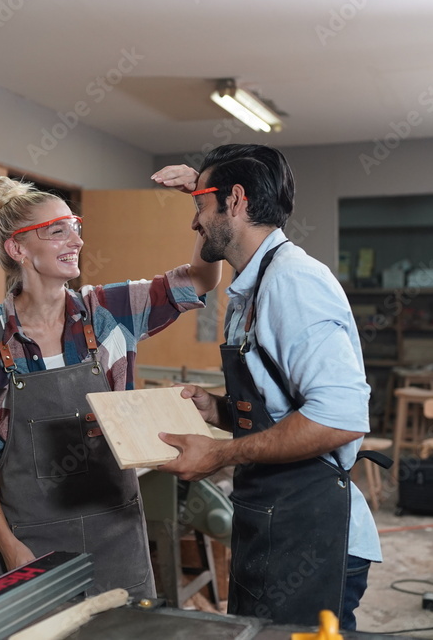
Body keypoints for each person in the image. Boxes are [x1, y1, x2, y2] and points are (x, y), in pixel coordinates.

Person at [0, 176, 220, 598]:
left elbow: (201, 279)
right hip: (30, 542)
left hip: (117, 536)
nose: (75, 239)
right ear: (17, 249)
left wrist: (203, 206)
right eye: (57, 231)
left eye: (75, 226)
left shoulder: (109, 312)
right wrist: (8, 544)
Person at [151, 145, 381, 630]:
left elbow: (338, 418)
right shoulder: (250, 289)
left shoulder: (293, 282)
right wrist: (219, 410)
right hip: (274, 524)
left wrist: (217, 454)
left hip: (312, 535)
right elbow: (282, 407)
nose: (195, 224)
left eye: (199, 206)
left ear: (234, 201)